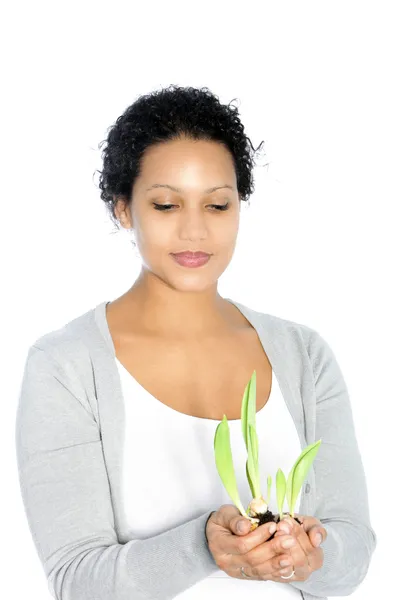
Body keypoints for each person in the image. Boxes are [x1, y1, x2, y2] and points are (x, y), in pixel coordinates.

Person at [15, 85, 377, 600]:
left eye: (217, 205)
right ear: (123, 209)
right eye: (165, 204)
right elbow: (77, 583)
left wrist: (310, 556)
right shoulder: (66, 366)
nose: (194, 231)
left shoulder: (304, 355)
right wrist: (205, 544)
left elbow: (353, 553)